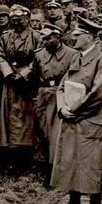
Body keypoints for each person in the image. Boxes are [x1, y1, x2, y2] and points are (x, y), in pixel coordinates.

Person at [50, 16, 102, 204]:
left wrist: (74, 111)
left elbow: (98, 94)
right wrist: (62, 109)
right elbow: (61, 86)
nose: (73, 38)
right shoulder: (75, 58)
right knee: (70, 158)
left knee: (91, 162)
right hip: (72, 117)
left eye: (78, 35)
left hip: (89, 119)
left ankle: (95, 201)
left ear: (90, 37)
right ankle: (74, 200)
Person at [0, 4, 41, 170]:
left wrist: (24, 74)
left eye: (20, 20)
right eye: (13, 20)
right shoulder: (5, 37)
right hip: (10, 84)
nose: (16, 23)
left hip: (27, 85)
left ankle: (29, 158)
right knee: (9, 118)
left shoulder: (36, 36)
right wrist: (8, 73)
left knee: (28, 119)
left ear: (27, 19)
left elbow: (39, 57)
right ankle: (11, 158)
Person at [33, 23, 77, 185]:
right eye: (43, 38)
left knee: (56, 134)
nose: (45, 41)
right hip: (42, 95)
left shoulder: (72, 54)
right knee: (43, 132)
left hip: (60, 94)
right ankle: (46, 165)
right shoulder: (39, 55)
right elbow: (35, 75)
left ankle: (55, 170)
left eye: (48, 38)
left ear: (58, 37)